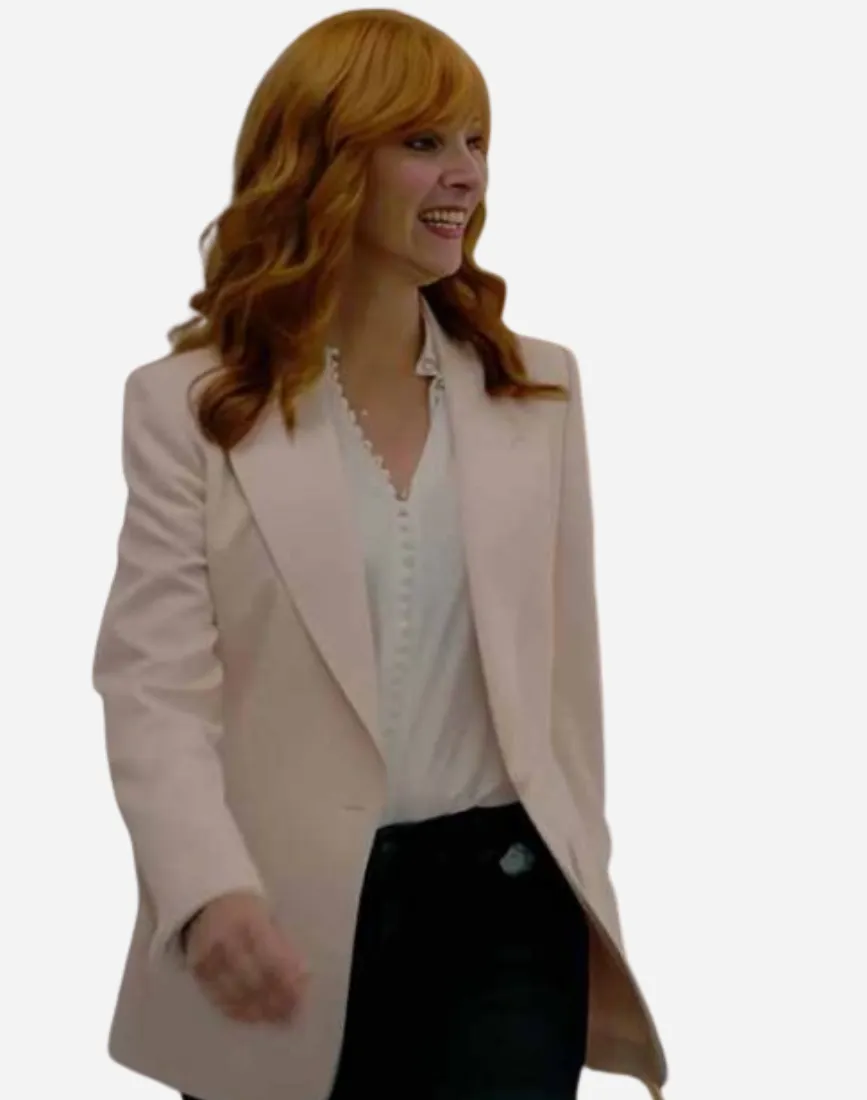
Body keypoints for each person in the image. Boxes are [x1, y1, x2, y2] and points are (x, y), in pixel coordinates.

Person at [91, 9, 668, 1100]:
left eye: (476, 140)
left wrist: (585, 861)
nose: (467, 174)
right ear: (320, 161)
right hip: (280, 919)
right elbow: (153, 683)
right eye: (423, 141)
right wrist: (207, 890)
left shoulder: (535, 391)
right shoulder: (191, 406)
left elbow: (567, 687)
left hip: (508, 915)